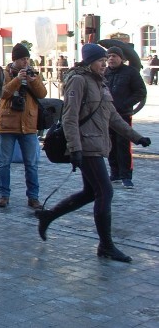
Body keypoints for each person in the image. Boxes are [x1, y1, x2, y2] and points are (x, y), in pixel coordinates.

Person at [36, 43, 151, 262]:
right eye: (101, 61)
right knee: (105, 191)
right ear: (90, 62)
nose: (105, 64)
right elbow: (69, 117)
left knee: (91, 192)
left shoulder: (101, 83)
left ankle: (48, 216)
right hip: (85, 147)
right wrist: (75, 148)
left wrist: (136, 137)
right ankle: (106, 246)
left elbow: (113, 117)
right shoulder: (78, 81)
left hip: (98, 145)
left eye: (106, 60)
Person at [0, 42, 46, 209]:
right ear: (15, 60)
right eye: (23, 59)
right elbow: (2, 94)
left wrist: (33, 81)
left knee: (31, 164)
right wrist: (17, 80)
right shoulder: (5, 74)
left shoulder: (32, 73)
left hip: (29, 125)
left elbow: (42, 94)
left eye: (27, 58)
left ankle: (33, 197)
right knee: (4, 163)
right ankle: (4, 195)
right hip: (8, 124)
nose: (26, 62)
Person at [104, 46, 146, 188]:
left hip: (123, 114)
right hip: (106, 115)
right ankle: (114, 172)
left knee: (123, 145)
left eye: (114, 56)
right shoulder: (103, 73)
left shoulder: (130, 72)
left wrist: (124, 104)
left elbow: (140, 92)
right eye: (109, 56)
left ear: (121, 58)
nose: (111, 58)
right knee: (110, 145)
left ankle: (126, 176)